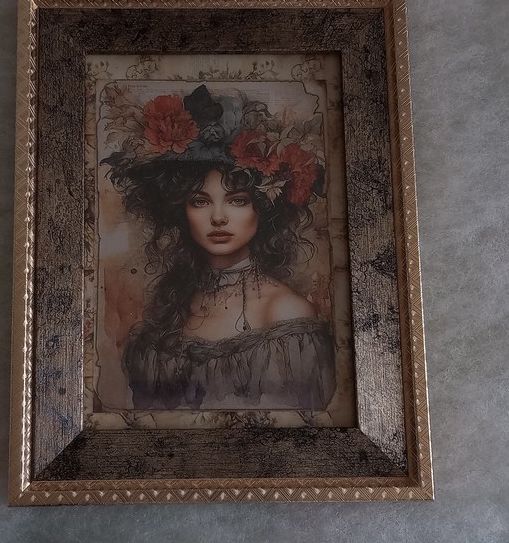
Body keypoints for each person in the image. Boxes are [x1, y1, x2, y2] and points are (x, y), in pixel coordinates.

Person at [101, 84, 336, 410]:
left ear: (262, 209)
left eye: (237, 200)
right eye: (200, 201)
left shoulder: (285, 313)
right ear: (181, 211)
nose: (218, 217)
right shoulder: (172, 301)